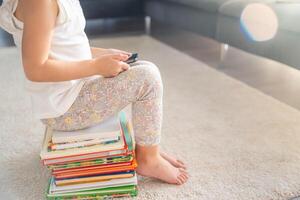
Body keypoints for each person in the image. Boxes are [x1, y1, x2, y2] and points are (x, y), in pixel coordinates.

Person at [0, 0, 189, 184]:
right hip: (65, 107)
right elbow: (35, 69)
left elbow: (65, 48)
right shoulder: (40, 2)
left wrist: (103, 54)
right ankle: (149, 159)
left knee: (142, 67)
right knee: (148, 78)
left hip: (72, 92)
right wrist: (96, 66)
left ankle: (146, 147)